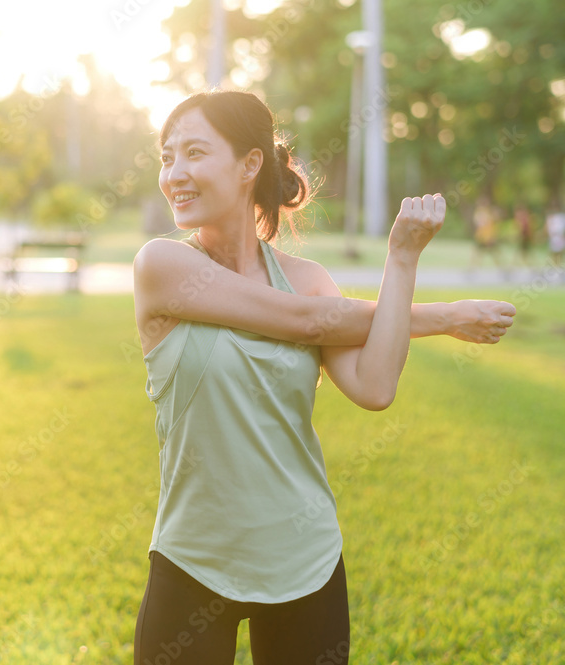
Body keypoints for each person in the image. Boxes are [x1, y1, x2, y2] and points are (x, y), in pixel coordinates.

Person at [131, 90, 516, 664]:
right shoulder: (163, 266)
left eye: (193, 153)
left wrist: (402, 258)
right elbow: (305, 322)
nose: (175, 174)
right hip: (193, 559)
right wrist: (446, 317)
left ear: (249, 165)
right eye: (167, 157)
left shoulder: (308, 278)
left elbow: (374, 386)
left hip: (304, 560)